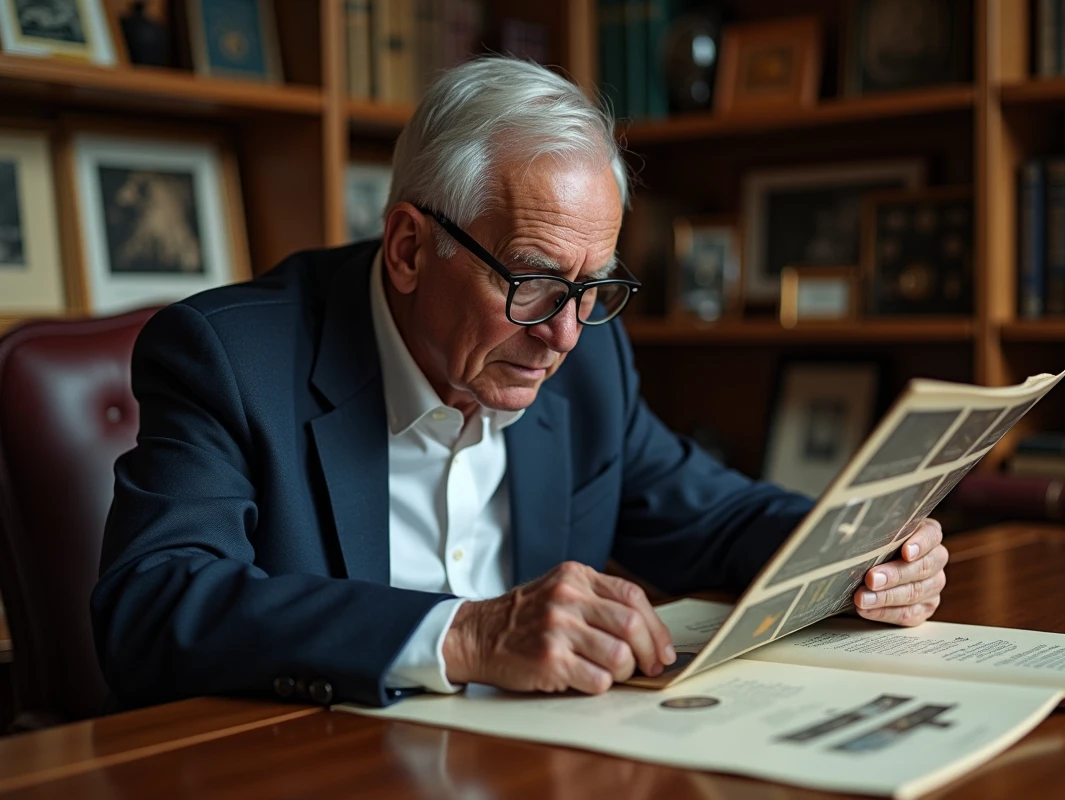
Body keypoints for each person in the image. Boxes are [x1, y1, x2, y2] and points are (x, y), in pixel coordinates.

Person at [92, 57, 948, 709]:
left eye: (593, 287)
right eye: (532, 280)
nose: (563, 334)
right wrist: (464, 635)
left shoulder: (590, 359)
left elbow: (710, 516)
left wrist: (864, 552)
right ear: (409, 248)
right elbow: (149, 605)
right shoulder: (229, 358)